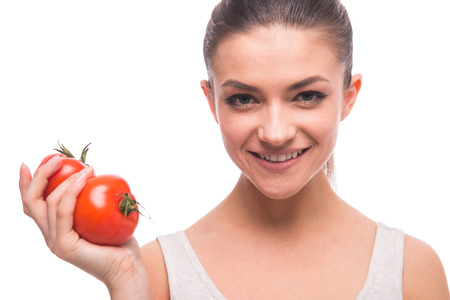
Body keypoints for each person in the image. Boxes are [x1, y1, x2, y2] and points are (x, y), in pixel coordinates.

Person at [19, 0, 449, 299]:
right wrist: (127, 285)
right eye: (244, 99)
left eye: (307, 96)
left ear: (349, 96)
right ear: (212, 103)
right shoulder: (156, 273)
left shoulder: (411, 270)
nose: (276, 133)